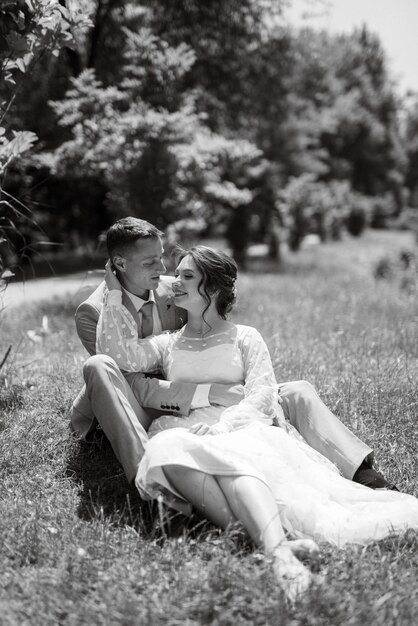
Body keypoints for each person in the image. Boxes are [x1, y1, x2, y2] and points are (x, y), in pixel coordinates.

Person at [96, 245, 418, 603]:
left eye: (187, 276)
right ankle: (278, 539)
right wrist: (112, 294)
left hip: (240, 429)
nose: (175, 283)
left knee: (231, 461)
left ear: (213, 289)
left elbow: (263, 395)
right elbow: (119, 355)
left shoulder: (246, 337)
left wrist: (220, 430)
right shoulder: (169, 343)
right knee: (164, 450)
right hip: (186, 430)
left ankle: (277, 549)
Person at [71, 217, 396, 489]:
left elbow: (210, 339)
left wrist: (229, 392)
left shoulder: (175, 288)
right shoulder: (95, 312)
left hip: (197, 388)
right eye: (150, 261)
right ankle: (149, 481)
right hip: (140, 403)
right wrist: (210, 394)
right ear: (119, 264)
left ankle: (361, 471)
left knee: (296, 392)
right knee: (101, 364)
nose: (164, 269)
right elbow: (133, 381)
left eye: (162, 257)